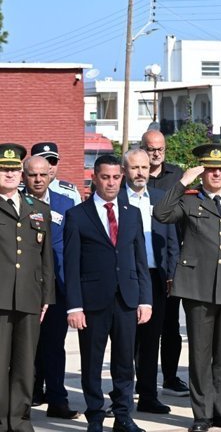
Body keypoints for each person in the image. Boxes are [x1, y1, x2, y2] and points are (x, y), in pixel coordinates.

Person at [153, 144, 221, 432]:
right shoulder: (188, 200)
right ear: (202, 172)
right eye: (210, 170)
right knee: (200, 355)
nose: (217, 174)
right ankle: (202, 415)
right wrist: (183, 181)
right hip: (197, 287)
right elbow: (161, 214)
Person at [64, 155, 152, 432]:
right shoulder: (77, 215)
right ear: (95, 177)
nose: (111, 182)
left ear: (121, 177)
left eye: (116, 177)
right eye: (105, 177)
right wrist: (74, 307)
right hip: (92, 301)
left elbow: (140, 259)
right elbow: (71, 264)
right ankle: (95, 415)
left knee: (125, 361)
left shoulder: (131, 212)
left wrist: (145, 299)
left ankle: (124, 414)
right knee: (92, 361)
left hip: (127, 297)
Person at [120, 150, 180, 414]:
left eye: (144, 167)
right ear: (125, 169)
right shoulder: (116, 198)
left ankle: (148, 395)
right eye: (135, 168)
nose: (141, 172)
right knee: (124, 340)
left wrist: (172, 273)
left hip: (156, 277)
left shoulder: (159, 199)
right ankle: (121, 396)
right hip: (126, 276)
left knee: (150, 340)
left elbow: (171, 241)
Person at [0, 144, 54, 432]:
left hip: (30, 297)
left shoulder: (38, 208)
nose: (10, 174)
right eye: (4, 169)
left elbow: (46, 258)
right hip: (0, 297)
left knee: (24, 365)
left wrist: (47, 296)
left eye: (13, 169)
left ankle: (19, 420)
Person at [25, 156, 78, 420]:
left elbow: (72, 249)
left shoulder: (66, 204)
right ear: (25, 176)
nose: (38, 180)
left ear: (50, 175)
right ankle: (21, 402)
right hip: (24, 287)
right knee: (23, 348)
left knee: (55, 346)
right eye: (32, 175)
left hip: (57, 287)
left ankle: (58, 400)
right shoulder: (15, 203)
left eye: (42, 175)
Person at [141, 129, 188, 398]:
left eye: (160, 148)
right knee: (142, 325)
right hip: (144, 259)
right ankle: (142, 378)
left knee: (171, 325)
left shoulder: (177, 176)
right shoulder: (136, 174)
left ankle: (170, 377)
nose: (156, 153)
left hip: (171, 257)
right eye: (151, 148)